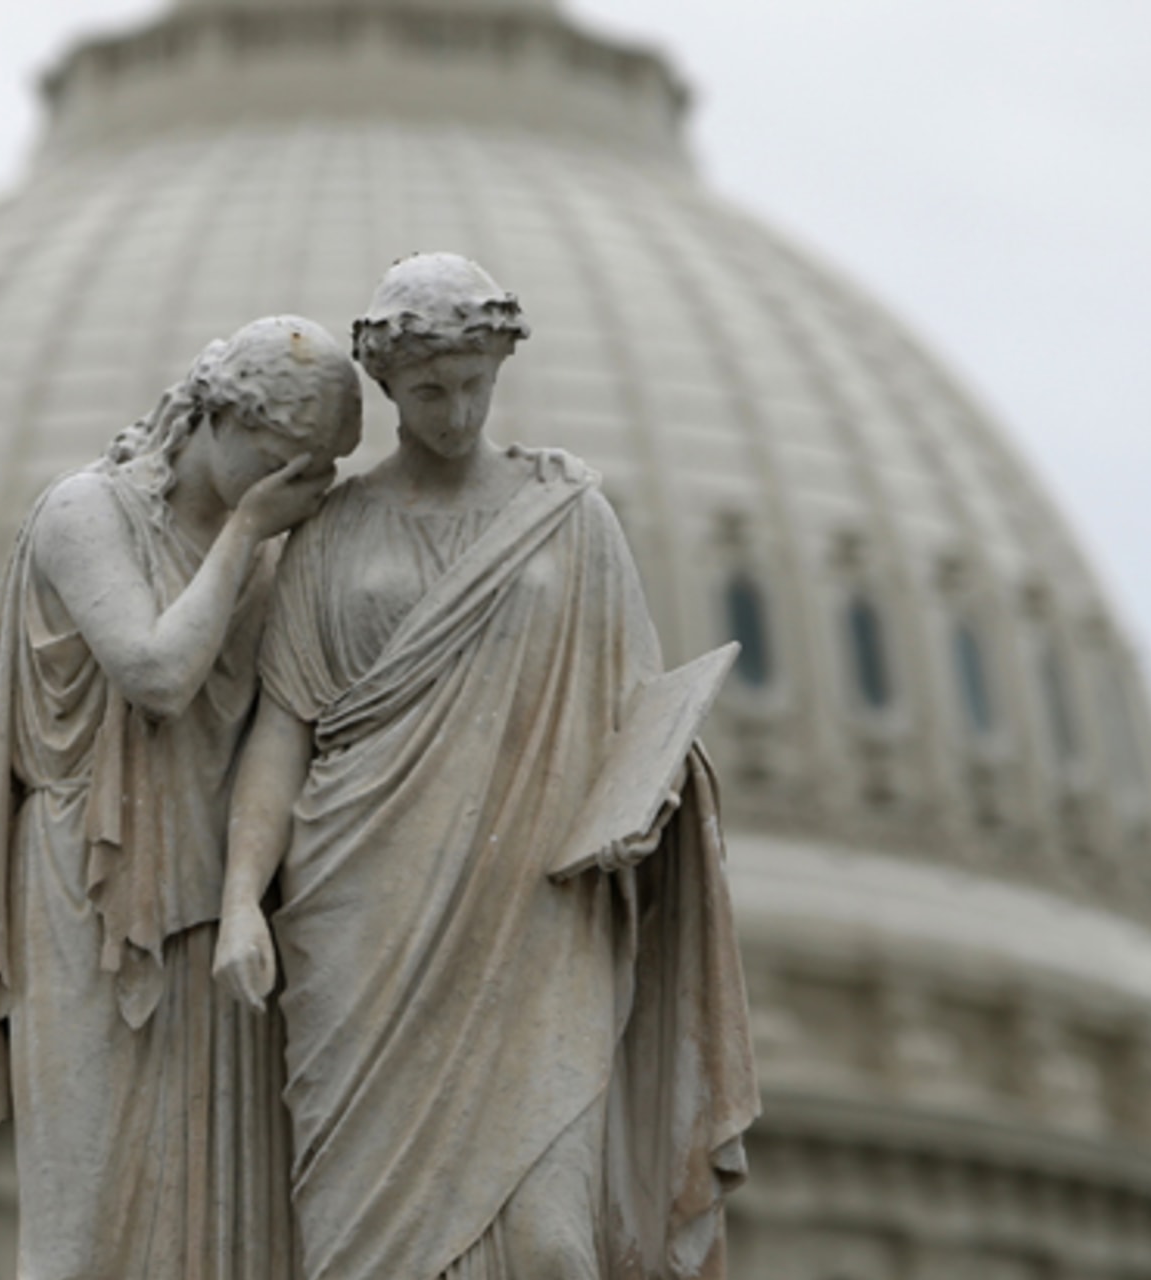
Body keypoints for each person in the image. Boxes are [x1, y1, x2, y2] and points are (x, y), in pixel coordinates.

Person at [214, 256, 758, 1280]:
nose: (456, 410)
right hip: (363, 919)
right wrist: (244, 898)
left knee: (554, 1241)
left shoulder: (570, 518)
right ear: (385, 386)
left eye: (474, 383)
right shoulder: (331, 531)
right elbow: (282, 732)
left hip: (538, 914)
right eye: (429, 390)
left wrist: (650, 801)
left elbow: (641, 718)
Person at [0, 316, 362, 1280]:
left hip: (218, 893)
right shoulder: (85, 512)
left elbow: (291, 722)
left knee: (222, 1215)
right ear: (218, 416)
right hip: (93, 882)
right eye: (287, 457)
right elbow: (157, 673)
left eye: (324, 467)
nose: (307, 487)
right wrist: (251, 530)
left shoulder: (270, 551)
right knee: (90, 1215)